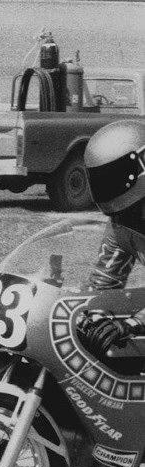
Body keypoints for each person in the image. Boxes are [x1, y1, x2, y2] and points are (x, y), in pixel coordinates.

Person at [76, 121, 145, 358]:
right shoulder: (121, 222)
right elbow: (105, 282)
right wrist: (88, 312)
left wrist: (133, 323)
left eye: (114, 175)